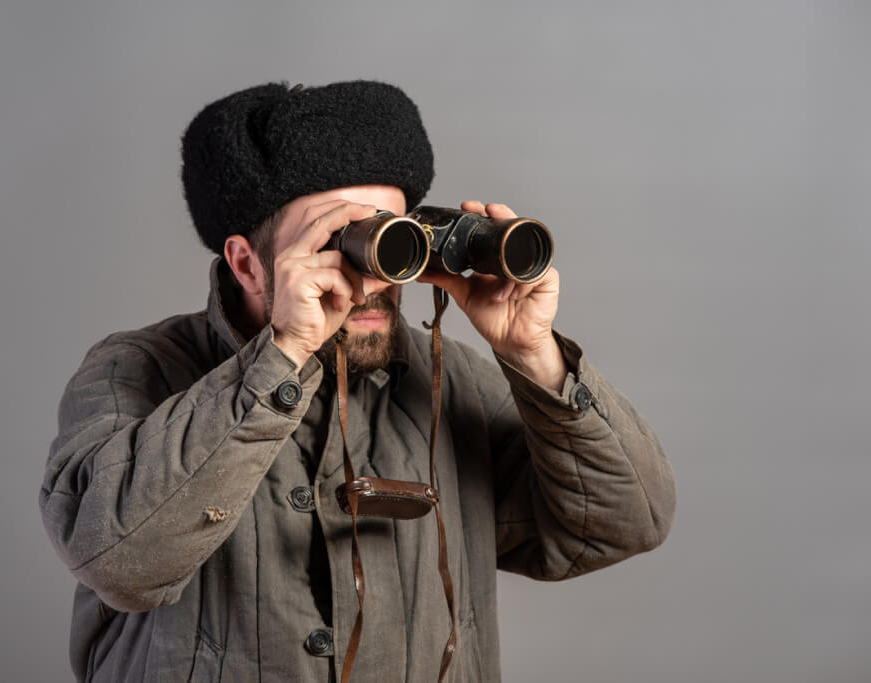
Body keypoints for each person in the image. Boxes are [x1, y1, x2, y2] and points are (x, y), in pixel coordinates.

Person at [39, 80, 676, 683]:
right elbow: (118, 562)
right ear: (247, 265)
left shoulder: (448, 380)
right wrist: (283, 354)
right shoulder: (135, 369)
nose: (374, 282)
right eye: (341, 243)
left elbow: (623, 524)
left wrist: (533, 354)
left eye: (392, 241)